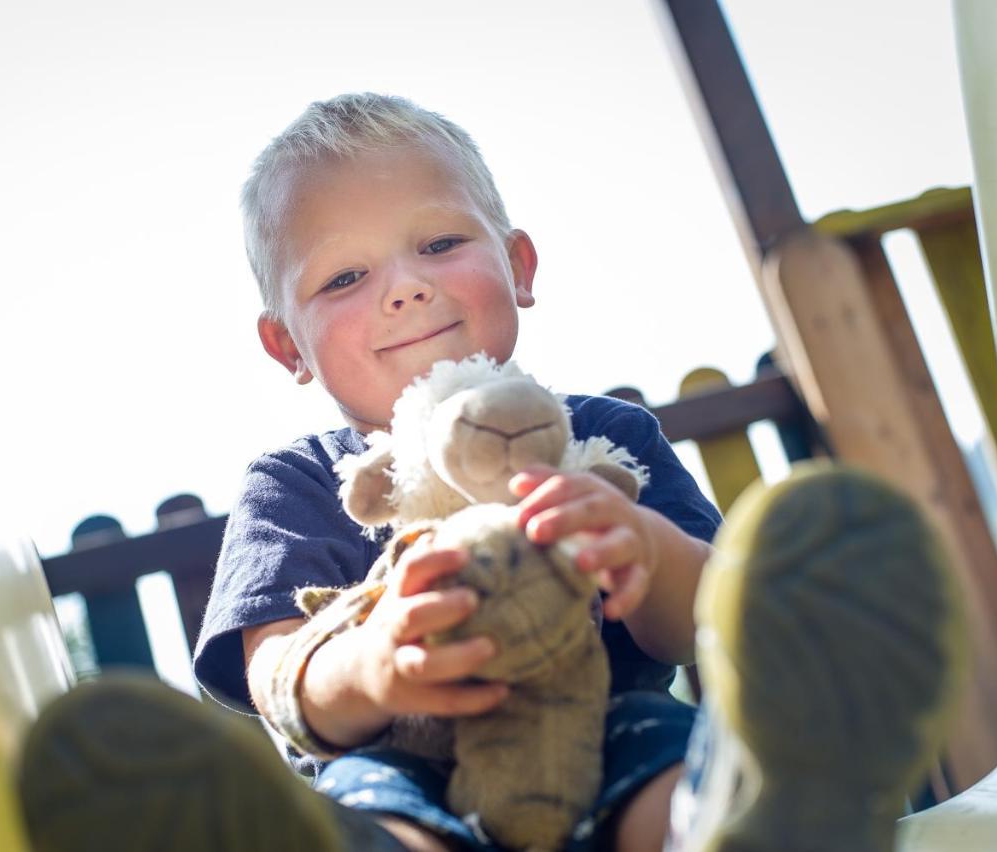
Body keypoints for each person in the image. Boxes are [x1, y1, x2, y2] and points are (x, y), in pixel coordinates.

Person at [191, 92, 721, 852]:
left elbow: (704, 619)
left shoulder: (603, 436)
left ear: (518, 265)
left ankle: (735, 825)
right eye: (344, 278)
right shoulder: (296, 484)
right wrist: (372, 665)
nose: (405, 288)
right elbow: (279, 674)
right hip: (398, 764)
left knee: (679, 760)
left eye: (439, 243)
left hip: (605, 732)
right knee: (366, 810)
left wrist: (645, 546)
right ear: (288, 348)